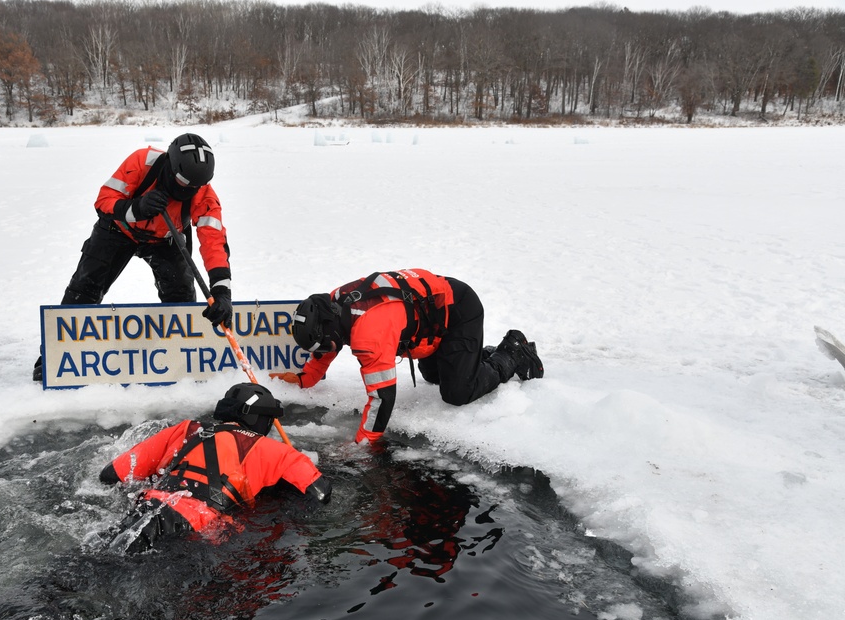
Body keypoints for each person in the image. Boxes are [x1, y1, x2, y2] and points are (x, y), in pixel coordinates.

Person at [33, 132, 233, 381]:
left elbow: (214, 241)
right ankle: (56, 354)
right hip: (119, 230)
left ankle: (182, 354)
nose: (190, 190)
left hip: (166, 239)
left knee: (181, 299)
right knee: (85, 288)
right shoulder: (143, 161)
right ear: (171, 168)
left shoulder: (202, 192)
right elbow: (103, 201)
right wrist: (136, 208)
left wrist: (222, 292)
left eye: (196, 186)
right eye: (185, 183)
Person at [270, 268, 543, 443]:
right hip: (432, 316)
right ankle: (473, 357)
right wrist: (305, 378)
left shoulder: (369, 333)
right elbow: (330, 340)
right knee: (432, 375)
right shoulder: (330, 304)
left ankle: (512, 352)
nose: (325, 354)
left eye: (324, 347)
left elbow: (382, 398)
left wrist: (363, 446)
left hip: (458, 310)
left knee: (457, 393)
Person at [99, 383, 332, 553]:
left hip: (145, 510)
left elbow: (110, 475)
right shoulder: (274, 450)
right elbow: (320, 493)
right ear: (260, 419)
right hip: (194, 529)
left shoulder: (186, 429)